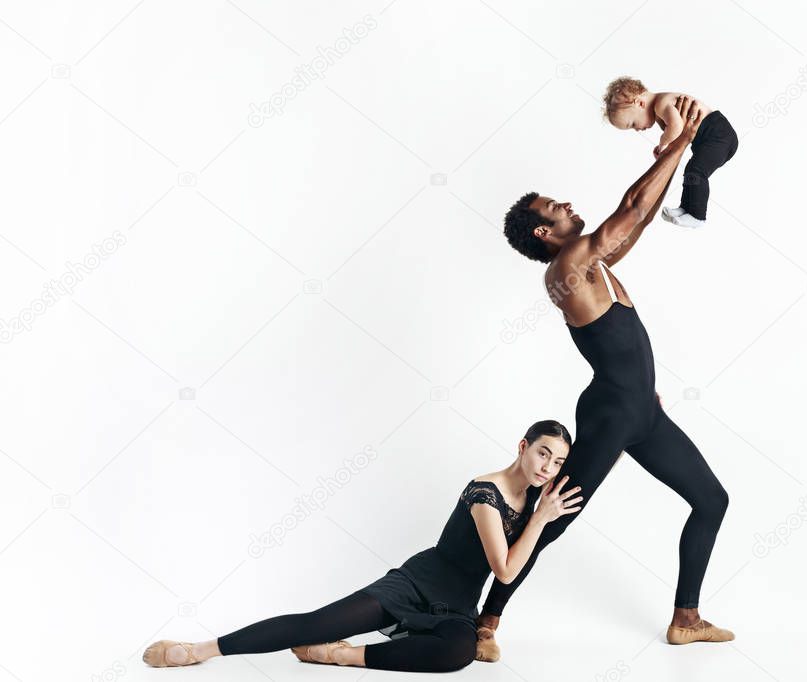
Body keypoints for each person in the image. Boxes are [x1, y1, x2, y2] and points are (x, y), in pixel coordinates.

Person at [479, 97, 732, 661]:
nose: (569, 205)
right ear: (545, 231)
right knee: (554, 520)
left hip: (645, 412)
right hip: (611, 415)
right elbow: (630, 203)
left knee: (712, 500)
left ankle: (686, 618)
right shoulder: (566, 269)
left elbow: (639, 215)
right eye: (557, 207)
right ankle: (486, 622)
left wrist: (671, 156)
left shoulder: (597, 264)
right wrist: (680, 143)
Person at [142, 420, 582, 673]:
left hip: (457, 607)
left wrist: (635, 427)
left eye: (558, 461)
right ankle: (201, 649)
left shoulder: (535, 499)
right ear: (523, 447)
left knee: (456, 654)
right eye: (543, 453)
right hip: (414, 585)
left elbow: (592, 467)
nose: (549, 467)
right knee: (316, 621)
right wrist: (541, 520)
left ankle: (344, 656)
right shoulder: (485, 493)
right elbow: (504, 570)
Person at [602, 76, 738, 229]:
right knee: (691, 171)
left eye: (633, 124)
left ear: (640, 103)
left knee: (696, 171)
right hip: (710, 138)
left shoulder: (661, 103)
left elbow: (676, 127)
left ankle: (697, 216)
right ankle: (686, 207)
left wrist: (663, 143)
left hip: (719, 135)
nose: (638, 130)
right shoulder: (661, 105)